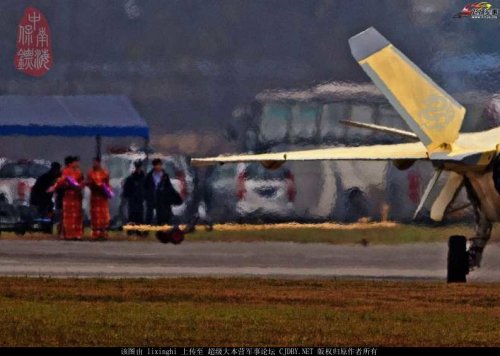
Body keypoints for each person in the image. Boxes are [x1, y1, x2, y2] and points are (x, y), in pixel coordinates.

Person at [49, 156, 84, 240]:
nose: (77, 164)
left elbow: (81, 181)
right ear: (71, 163)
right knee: (68, 216)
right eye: (76, 162)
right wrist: (56, 186)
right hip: (68, 196)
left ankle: (77, 234)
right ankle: (69, 234)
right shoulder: (65, 171)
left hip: (77, 196)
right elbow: (60, 182)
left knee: (77, 216)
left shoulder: (79, 172)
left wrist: (81, 186)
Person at [144, 158, 182, 225]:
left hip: (162, 199)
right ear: (154, 166)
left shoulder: (165, 176)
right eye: (157, 165)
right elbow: (146, 188)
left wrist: (176, 196)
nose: (158, 167)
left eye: (159, 165)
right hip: (152, 198)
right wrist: (147, 196)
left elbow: (169, 187)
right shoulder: (149, 176)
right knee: (149, 215)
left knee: (163, 215)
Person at [87, 157, 111, 240]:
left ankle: (103, 233)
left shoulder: (105, 172)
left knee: (103, 216)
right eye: (93, 162)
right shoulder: (90, 173)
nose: (94, 164)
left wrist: (106, 190)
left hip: (103, 198)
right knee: (95, 215)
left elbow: (107, 184)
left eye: (95, 162)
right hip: (94, 197)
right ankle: (95, 234)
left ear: (99, 163)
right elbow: (89, 183)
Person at [122, 160, 146, 235]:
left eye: (139, 167)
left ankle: (140, 232)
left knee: (140, 216)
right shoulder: (130, 179)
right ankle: (131, 232)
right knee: (132, 216)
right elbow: (126, 190)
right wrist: (126, 197)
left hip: (140, 201)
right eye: (137, 167)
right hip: (132, 201)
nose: (138, 169)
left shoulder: (144, 178)